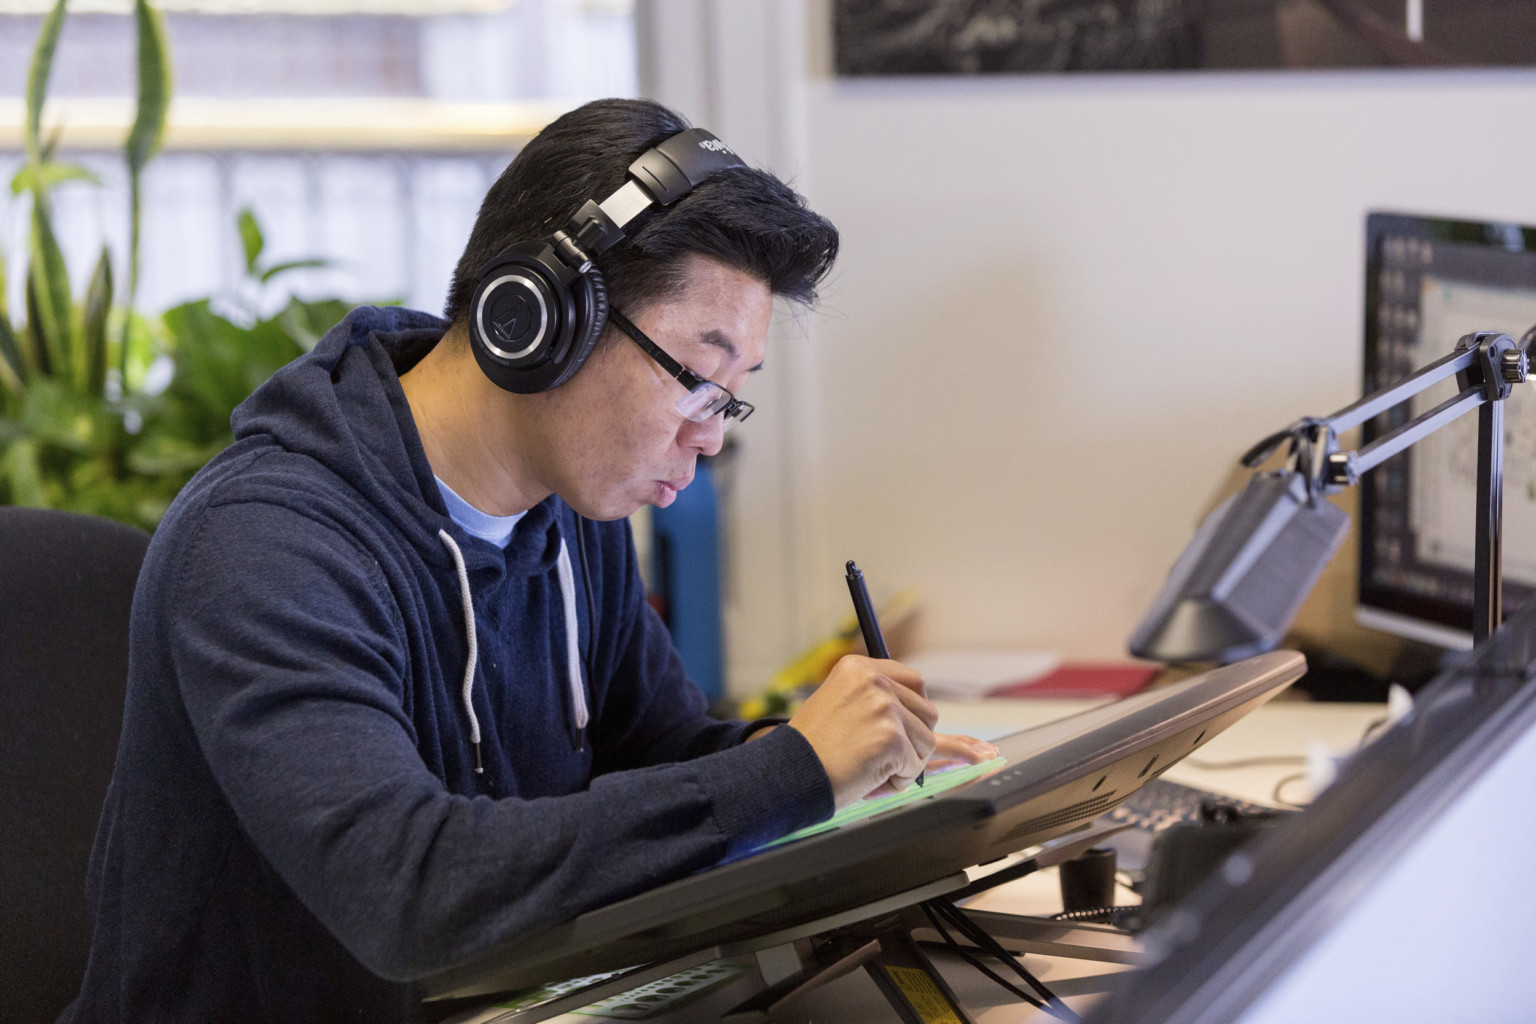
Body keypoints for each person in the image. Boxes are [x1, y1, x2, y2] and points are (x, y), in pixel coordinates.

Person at [62, 98, 996, 1023]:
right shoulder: (266, 545)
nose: (708, 438)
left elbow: (664, 757)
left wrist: (840, 774)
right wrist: (789, 772)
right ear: (535, 320)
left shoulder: (573, 513)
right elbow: (407, 891)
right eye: (696, 380)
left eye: (731, 396)